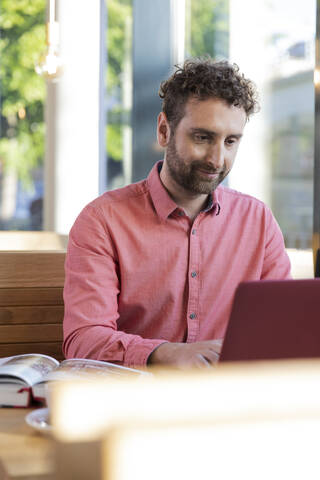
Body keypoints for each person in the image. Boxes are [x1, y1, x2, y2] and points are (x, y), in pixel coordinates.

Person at [63, 57, 291, 369]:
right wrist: (165, 353)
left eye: (230, 141)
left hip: (234, 402)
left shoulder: (259, 222)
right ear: (163, 131)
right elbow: (83, 339)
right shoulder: (102, 221)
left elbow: (283, 328)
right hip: (135, 402)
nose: (217, 158)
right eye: (202, 137)